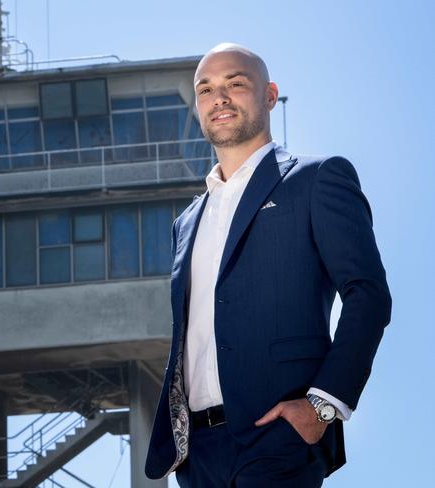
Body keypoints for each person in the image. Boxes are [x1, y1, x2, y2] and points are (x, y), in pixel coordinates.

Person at [144, 43, 392, 487]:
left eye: (235, 84)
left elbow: (368, 294)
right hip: (196, 454)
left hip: (278, 436)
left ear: (270, 95)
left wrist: (322, 405)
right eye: (206, 90)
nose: (219, 97)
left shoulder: (317, 178)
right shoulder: (186, 222)